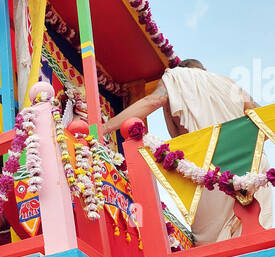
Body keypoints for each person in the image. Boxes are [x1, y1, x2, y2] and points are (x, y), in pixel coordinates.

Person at [101, 58, 274, 243]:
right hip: (252, 165)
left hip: (209, 168)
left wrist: (103, 128)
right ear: (204, 69)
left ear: (181, 70)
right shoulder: (229, 83)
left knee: (213, 243)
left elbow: (154, 100)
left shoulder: (175, 77)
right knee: (261, 234)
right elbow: (261, 118)